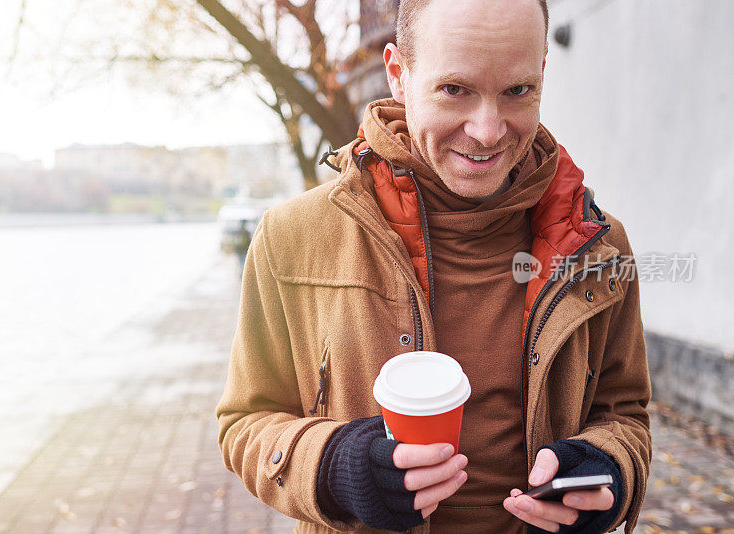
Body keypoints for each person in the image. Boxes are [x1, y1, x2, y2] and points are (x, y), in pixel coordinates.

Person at [216, 0, 651, 532]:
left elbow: (624, 415)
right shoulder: (291, 238)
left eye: (517, 91)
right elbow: (245, 422)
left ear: (541, 74)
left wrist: (608, 471)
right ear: (399, 74)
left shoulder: (599, 246)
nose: (489, 131)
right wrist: (332, 466)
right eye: (455, 90)